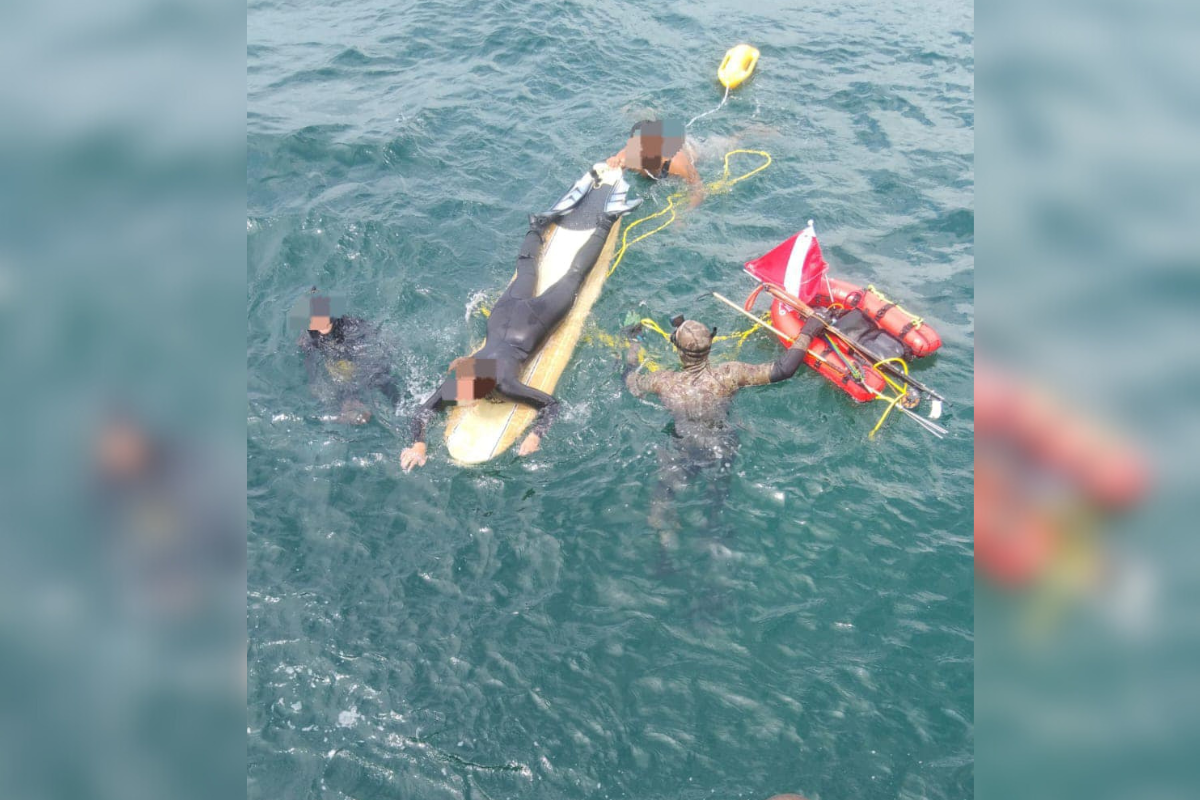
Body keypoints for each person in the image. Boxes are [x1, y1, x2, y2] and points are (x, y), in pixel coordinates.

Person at [400, 176, 639, 471]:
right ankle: (537, 225)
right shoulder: (460, 379)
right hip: (503, 314)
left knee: (575, 275)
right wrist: (419, 443)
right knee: (526, 267)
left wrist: (536, 435)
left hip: (535, 320)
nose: (457, 401)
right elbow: (424, 412)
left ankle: (608, 219)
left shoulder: (505, 386)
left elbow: (552, 406)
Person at [623, 312, 826, 540]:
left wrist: (633, 342)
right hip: (722, 447)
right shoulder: (729, 375)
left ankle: (664, 547)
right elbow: (783, 369)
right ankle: (713, 529)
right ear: (710, 345)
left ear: (678, 350)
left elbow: (630, 382)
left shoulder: (663, 382)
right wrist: (808, 331)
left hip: (684, 448)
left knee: (663, 497)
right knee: (717, 497)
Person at [295, 292, 401, 425]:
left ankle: (401, 408)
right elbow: (309, 356)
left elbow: (373, 342)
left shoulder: (350, 326)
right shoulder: (310, 336)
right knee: (335, 389)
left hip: (364, 359)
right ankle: (354, 404)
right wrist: (313, 382)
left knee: (381, 381)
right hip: (340, 364)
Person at [606, 119, 704, 207]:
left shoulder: (677, 164)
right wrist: (613, 162)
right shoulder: (630, 157)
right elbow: (616, 164)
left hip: (691, 151)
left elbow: (698, 190)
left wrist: (685, 213)